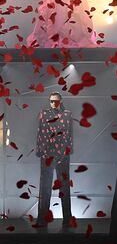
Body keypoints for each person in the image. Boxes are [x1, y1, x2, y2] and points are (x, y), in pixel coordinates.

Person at [36, 92, 73, 231]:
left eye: (56, 101)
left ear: (60, 101)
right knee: (45, 187)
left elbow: (70, 134)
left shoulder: (67, 114)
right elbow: (40, 132)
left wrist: (68, 151)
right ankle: (42, 218)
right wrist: (40, 150)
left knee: (64, 186)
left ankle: (67, 218)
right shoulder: (44, 113)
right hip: (47, 154)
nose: (53, 103)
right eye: (51, 101)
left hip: (62, 154)